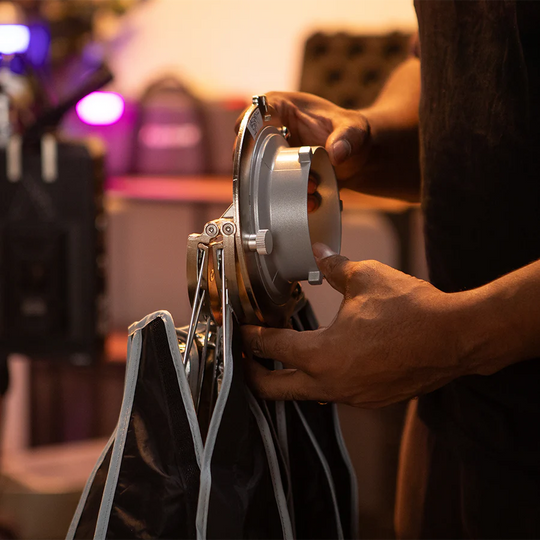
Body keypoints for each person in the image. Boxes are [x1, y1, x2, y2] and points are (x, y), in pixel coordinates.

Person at [241, 1, 540, 539]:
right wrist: (366, 138)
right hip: (459, 423)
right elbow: (446, 70)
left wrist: (456, 335)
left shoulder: (452, 345)